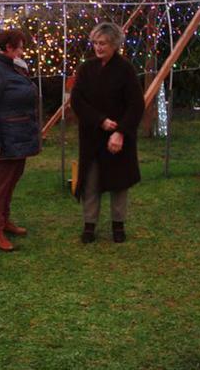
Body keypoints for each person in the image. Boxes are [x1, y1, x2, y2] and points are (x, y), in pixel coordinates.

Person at [70, 22, 144, 243]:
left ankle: (118, 226)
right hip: (92, 136)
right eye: (95, 43)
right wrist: (100, 121)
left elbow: (135, 105)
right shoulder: (86, 68)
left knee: (119, 183)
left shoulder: (125, 69)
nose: (98, 47)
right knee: (90, 182)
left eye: (103, 43)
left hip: (118, 138)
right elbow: (77, 101)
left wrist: (120, 132)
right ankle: (89, 225)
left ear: (114, 45)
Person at [0, 30, 40, 252]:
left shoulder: (12, 67)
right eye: (20, 47)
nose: (22, 51)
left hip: (18, 135)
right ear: (9, 48)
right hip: (4, 139)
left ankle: (5, 220)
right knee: (1, 184)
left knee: (12, 180)